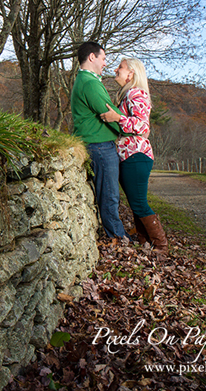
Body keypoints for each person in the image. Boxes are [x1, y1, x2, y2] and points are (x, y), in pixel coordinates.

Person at [100, 57, 168, 254]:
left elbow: (143, 126)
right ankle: (146, 241)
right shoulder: (127, 94)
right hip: (129, 155)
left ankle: (161, 246)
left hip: (136, 155)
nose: (115, 70)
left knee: (139, 202)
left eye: (120, 68)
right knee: (135, 201)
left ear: (131, 74)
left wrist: (117, 118)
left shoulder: (136, 93)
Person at [71, 42, 132, 241]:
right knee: (110, 194)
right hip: (99, 146)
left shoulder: (87, 81)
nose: (106, 64)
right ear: (91, 57)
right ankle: (117, 237)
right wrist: (131, 130)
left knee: (109, 193)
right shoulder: (89, 83)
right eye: (103, 58)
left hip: (100, 144)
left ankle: (116, 233)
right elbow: (109, 113)